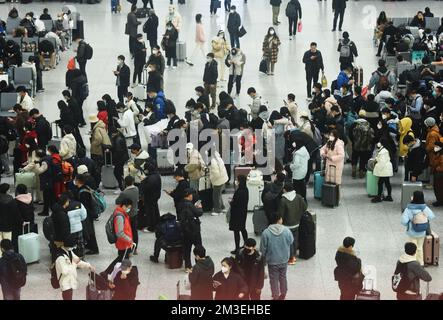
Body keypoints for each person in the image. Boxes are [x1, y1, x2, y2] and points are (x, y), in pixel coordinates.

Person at [260, 213, 293, 300]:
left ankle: (275, 296)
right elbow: (291, 241)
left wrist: (263, 261)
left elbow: (263, 249)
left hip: (272, 260)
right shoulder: (286, 230)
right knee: (283, 277)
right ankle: (283, 293)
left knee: (273, 279)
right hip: (284, 259)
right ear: (279, 220)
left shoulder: (266, 233)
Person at [401, 191, 436, 266]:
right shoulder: (424, 208)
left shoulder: (409, 209)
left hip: (412, 232)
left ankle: (413, 263)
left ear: (414, 197)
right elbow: (432, 216)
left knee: (413, 248)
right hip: (422, 232)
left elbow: (403, 221)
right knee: (420, 248)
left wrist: (409, 223)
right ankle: (421, 263)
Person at [104, 198, 135, 275]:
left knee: (121, 259)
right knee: (122, 260)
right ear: (124, 206)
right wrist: (129, 240)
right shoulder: (120, 216)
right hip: (123, 243)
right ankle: (108, 274)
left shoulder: (121, 213)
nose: (129, 209)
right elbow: (119, 233)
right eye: (128, 207)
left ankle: (116, 275)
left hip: (125, 242)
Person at [278, 182, 307, 265]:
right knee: (294, 240)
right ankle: (293, 255)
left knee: (288, 241)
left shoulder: (283, 200)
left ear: (285, 190)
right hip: (297, 223)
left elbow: (281, 214)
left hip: (287, 225)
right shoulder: (298, 197)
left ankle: (290, 257)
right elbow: (305, 207)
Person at [177, 189, 203, 272]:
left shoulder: (180, 204)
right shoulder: (189, 205)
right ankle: (199, 265)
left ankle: (188, 266)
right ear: (189, 195)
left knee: (187, 248)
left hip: (184, 229)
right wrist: (199, 208)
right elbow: (198, 213)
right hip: (193, 229)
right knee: (198, 247)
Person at [75, 174, 99, 256]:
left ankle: (94, 248)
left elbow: (84, 205)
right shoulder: (86, 188)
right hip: (90, 213)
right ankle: (90, 245)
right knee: (89, 230)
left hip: (87, 214)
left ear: (78, 180)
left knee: (89, 231)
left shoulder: (82, 192)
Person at [116, 176, 139, 252]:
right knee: (134, 231)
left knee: (127, 232)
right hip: (135, 213)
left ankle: (128, 248)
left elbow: (117, 201)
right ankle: (135, 248)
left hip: (126, 215)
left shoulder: (124, 193)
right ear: (133, 181)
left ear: (124, 182)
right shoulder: (136, 189)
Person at [139, 159, 162, 233]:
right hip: (156, 196)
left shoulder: (150, 179)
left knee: (150, 212)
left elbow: (145, 188)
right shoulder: (157, 175)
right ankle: (157, 224)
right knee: (155, 210)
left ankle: (151, 227)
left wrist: (143, 181)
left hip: (149, 197)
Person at [89, 114, 112, 187]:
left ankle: (97, 182)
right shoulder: (101, 126)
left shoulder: (96, 129)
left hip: (98, 150)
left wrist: (93, 144)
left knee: (97, 168)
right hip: (104, 148)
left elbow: (98, 139)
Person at [228, 175, 248, 254]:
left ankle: (237, 248)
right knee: (243, 228)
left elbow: (235, 203)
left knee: (236, 231)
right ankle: (246, 244)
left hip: (236, 213)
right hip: (243, 212)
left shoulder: (239, 191)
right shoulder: (246, 190)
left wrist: (231, 202)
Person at [371, 139, 394, 203]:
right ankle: (389, 196)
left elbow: (382, 162)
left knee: (380, 183)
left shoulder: (383, 151)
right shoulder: (384, 150)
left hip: (384, 170)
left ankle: (379, 197)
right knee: (387, 182)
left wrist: (376, 167)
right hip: (386, 169)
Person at [66, 195, 87, 259]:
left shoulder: (65, 206)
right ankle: (81, 258)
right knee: (80, 244)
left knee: (70, 245)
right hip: (79, 228)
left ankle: (72, 258)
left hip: (70, 229)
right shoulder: (80, 204)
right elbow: (84, 216)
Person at [209, 151, 228, 216]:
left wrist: (211, 178)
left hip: (218, 180)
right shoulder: (218, 158)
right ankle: (222, 207)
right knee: (219, 194)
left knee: (215, 195)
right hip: (223, 178)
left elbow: (215, 173)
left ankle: (217, 210)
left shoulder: (213, 161)